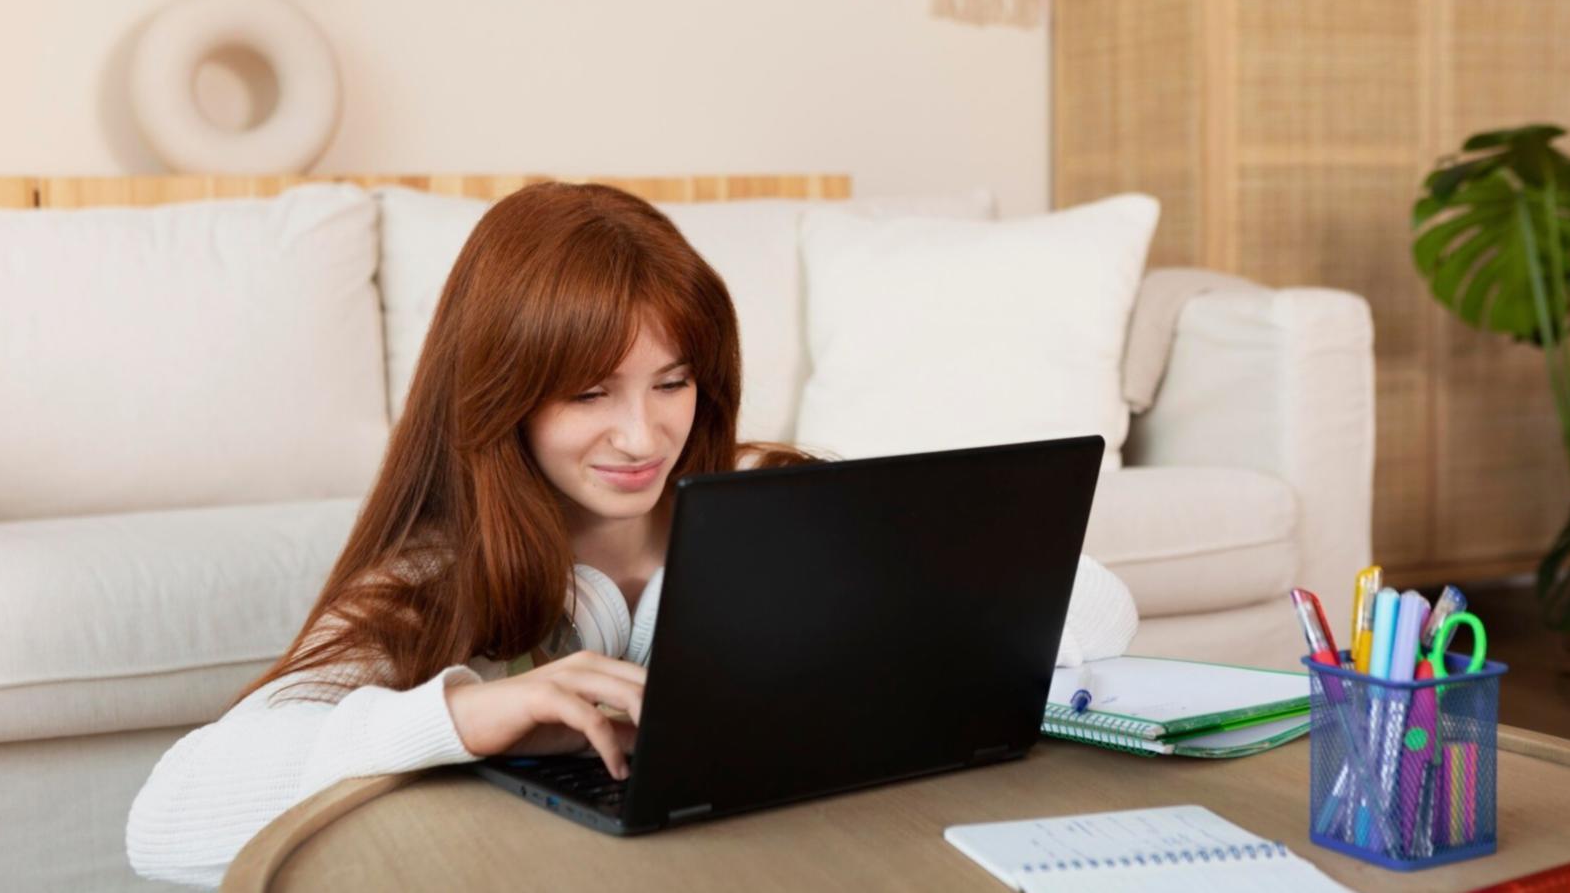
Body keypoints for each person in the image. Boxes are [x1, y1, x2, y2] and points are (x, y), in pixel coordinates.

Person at [126, 182, 1137, 888]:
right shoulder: (430, 579)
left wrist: (899, 635)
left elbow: (1093, 596)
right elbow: (165, 820)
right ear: (502, 397)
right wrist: (471, 712)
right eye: (586, 392)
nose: (641, 435)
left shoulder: (766, 499)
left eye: (671, 383)